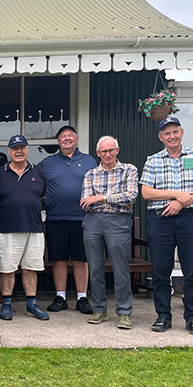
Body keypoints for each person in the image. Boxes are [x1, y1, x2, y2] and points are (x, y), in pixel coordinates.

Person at [140, 116, 193, 335]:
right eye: (167, 133)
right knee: (160, 270)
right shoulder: (153, 160)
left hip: (190, 219)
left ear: (181, 132)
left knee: (192, 270)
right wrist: (176, 195)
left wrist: (183, 202)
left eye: (175, 131)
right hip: (160, 219)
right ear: (160, 137)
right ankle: (163, 316)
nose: (171, 136)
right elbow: (146, 192)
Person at [80, 136, 138, 328]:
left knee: (121, 268)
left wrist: (101, 198)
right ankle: (99, 310)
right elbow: (85, 202)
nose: (108, 154)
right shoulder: (90, 174)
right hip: (93, 222)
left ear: (117, 150)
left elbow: (131, 196)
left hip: (118, 222)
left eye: (111, 150)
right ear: (98, 153)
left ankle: (124, 312)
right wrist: (110, 199)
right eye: (104, 151)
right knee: (95, 268)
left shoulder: (129, 170)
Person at [39, 126, 97, 314]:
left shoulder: (89, 161)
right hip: (56, 218)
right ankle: (60, 297)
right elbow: (37, 186)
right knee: (59, 259)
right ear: (58, 142)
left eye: (70, 135)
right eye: (63, 136)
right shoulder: (47, 163)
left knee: (81, 260)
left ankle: (82, 298)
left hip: (83, 218)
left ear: (77, 139)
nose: (67, 139)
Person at [0, 135, 48, 321]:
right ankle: (6, 303)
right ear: (9, 151)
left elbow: (42, 197)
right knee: (6, 269)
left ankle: (31, 303)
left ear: (27, 149)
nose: (18, 151)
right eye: (15, 148)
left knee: (30, 268)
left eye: (22, 147)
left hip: (33, 228)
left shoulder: (38, 172)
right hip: (7, 229)